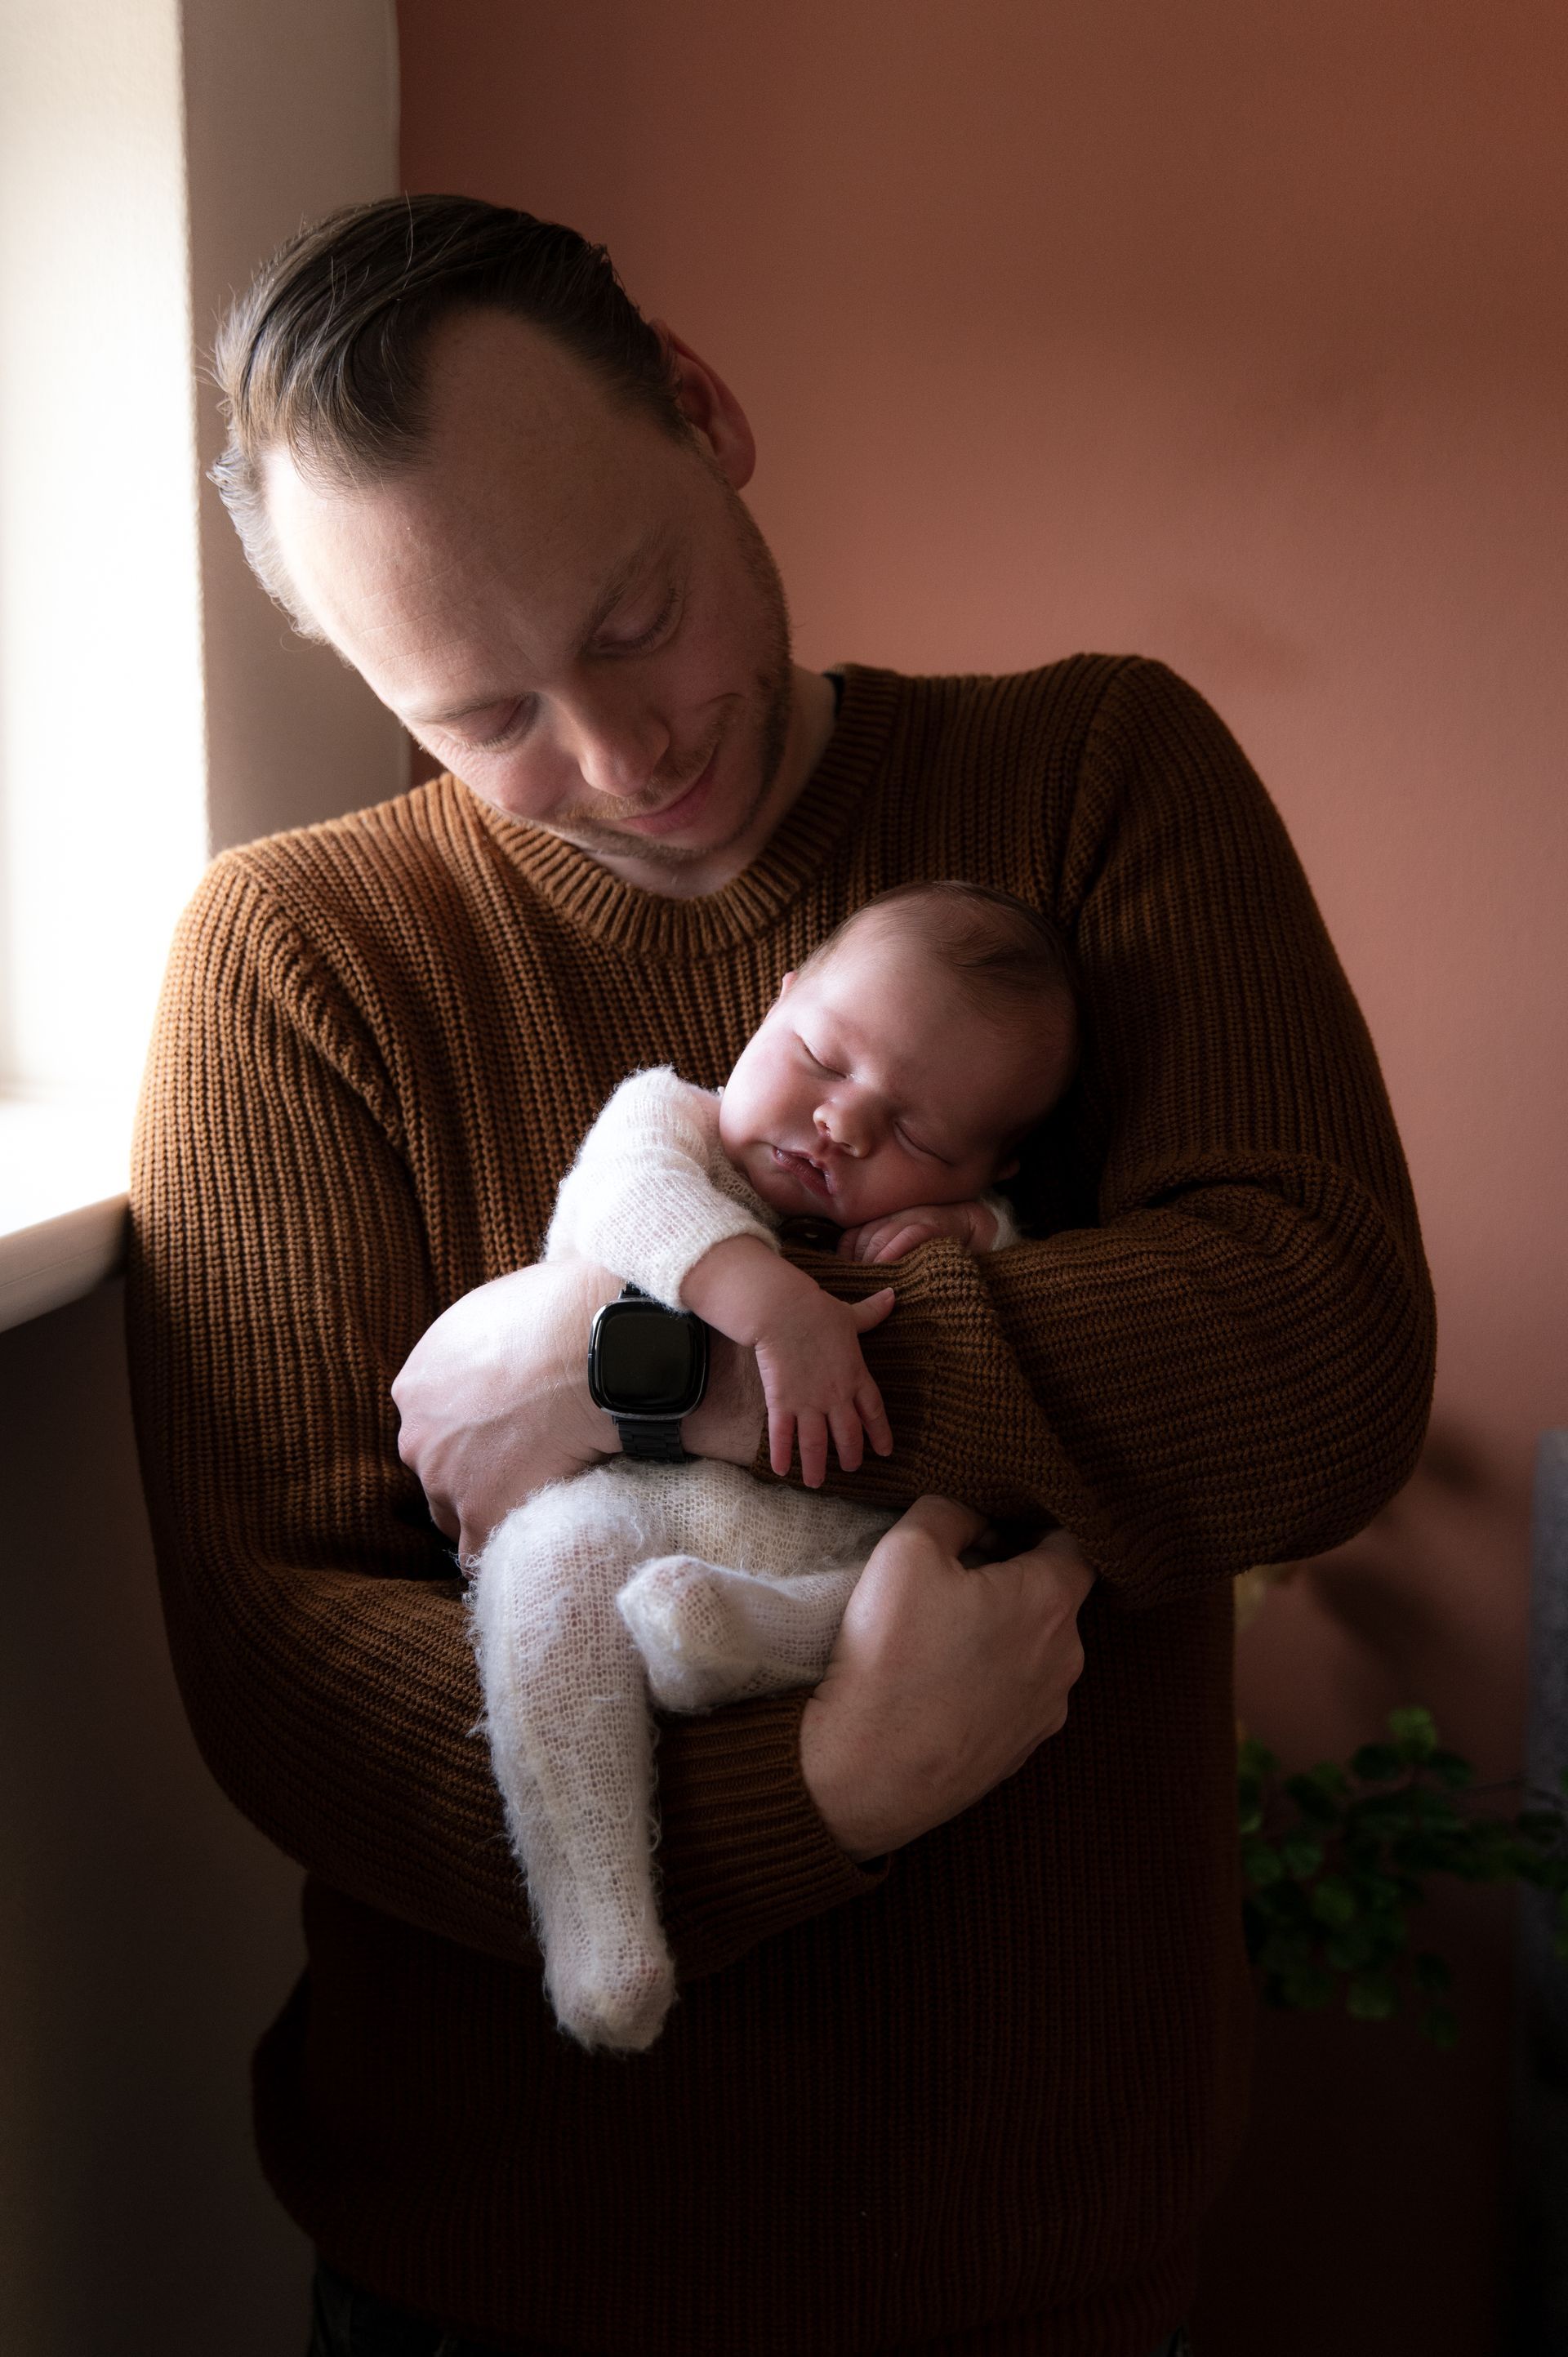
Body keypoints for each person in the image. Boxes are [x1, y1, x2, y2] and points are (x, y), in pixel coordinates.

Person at [126, 194, 1434, 2357]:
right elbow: (285, 1662)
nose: (625, 753)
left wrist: (670, 1372)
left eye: (635, 616)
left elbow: (1316, 1346)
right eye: (486, 717)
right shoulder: (297, 963)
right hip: (504, 2260)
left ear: (709, 410)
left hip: (1039, 2251)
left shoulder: (1096, 776)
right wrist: (813, 1794)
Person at [458, 881, 1083, 2054]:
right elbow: (621, 1203)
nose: (841, 1125)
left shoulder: (947, 1212)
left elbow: (1038, 1283)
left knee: (923, 1564)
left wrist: (974, 1232)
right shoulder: (671, 1123)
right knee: (542, 1572)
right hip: (623, 1511)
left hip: (813, 1551)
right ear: (779, 996)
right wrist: (779, 1309)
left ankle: (749, 1634)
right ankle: (600, 1921)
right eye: (822, 1058)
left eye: (916, 1136)